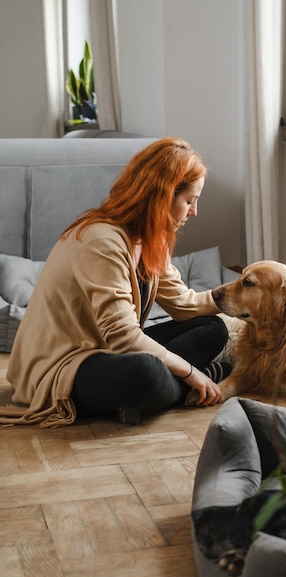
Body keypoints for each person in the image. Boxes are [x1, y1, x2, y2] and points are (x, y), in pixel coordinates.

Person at [4, 138, 230, 428]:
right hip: (63, 366)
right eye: (189, 201)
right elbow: (124, 337)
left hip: (107, 352)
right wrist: (190, 372)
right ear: (162, 196)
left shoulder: (152, 239)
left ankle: (139, 399)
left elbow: (185, 304)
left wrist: (241, 296)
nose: (193, 212)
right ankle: (191, 384)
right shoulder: (101, 240)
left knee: (213, 327)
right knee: (145, 370)